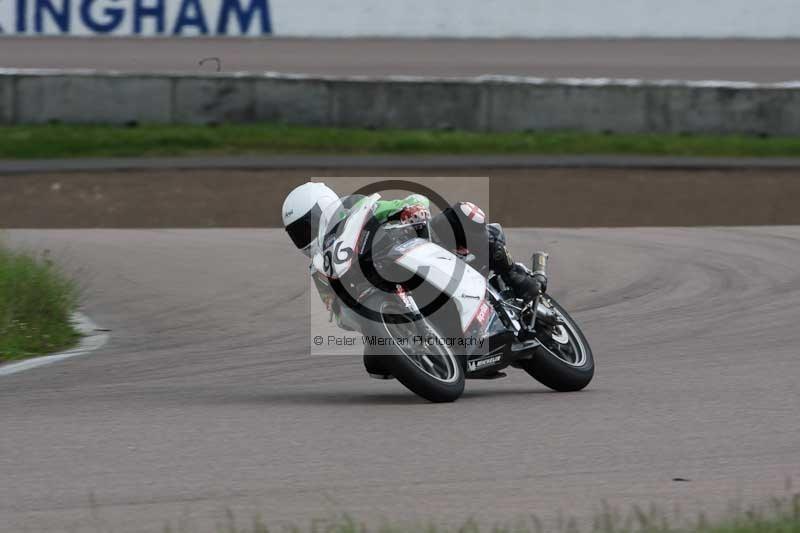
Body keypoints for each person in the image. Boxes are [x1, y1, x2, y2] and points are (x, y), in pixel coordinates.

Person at [282, 182, 546, 323]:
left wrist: (411, 211)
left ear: (323, 208)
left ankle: (515, 277)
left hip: (417, 248)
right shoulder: (320, 268)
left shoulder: (359, 209)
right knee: (375, 363)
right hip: (388, 294)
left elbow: (412, 201)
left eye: (307, 227)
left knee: (464, 213)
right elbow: (338, 317)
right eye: (298, 234)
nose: (305, 237)